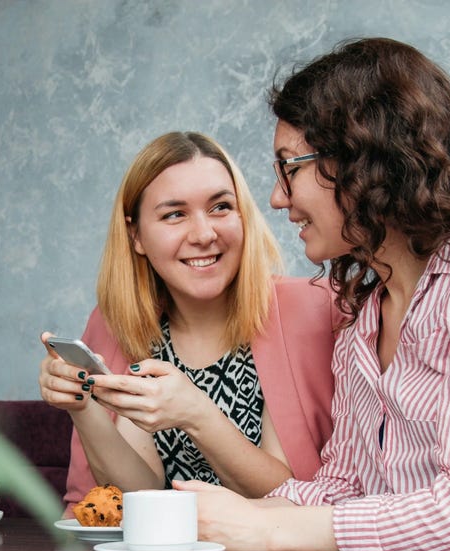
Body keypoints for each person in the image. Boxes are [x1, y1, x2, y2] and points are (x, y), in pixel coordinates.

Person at [174, 37, 450, 551]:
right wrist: (224, 511)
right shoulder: (363, 324)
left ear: (363, 160)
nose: (278, 199)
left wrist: (263, 525)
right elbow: (343, 491)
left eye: (290, 168)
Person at [38, 131, 342, 513]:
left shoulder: (310, 310)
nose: (203, 234)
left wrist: (195, 414)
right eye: (175, 214)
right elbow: (136, 495)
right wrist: (83, 408)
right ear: (136, 236)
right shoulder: (115, 326)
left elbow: (291, 498)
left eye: (220, 207)